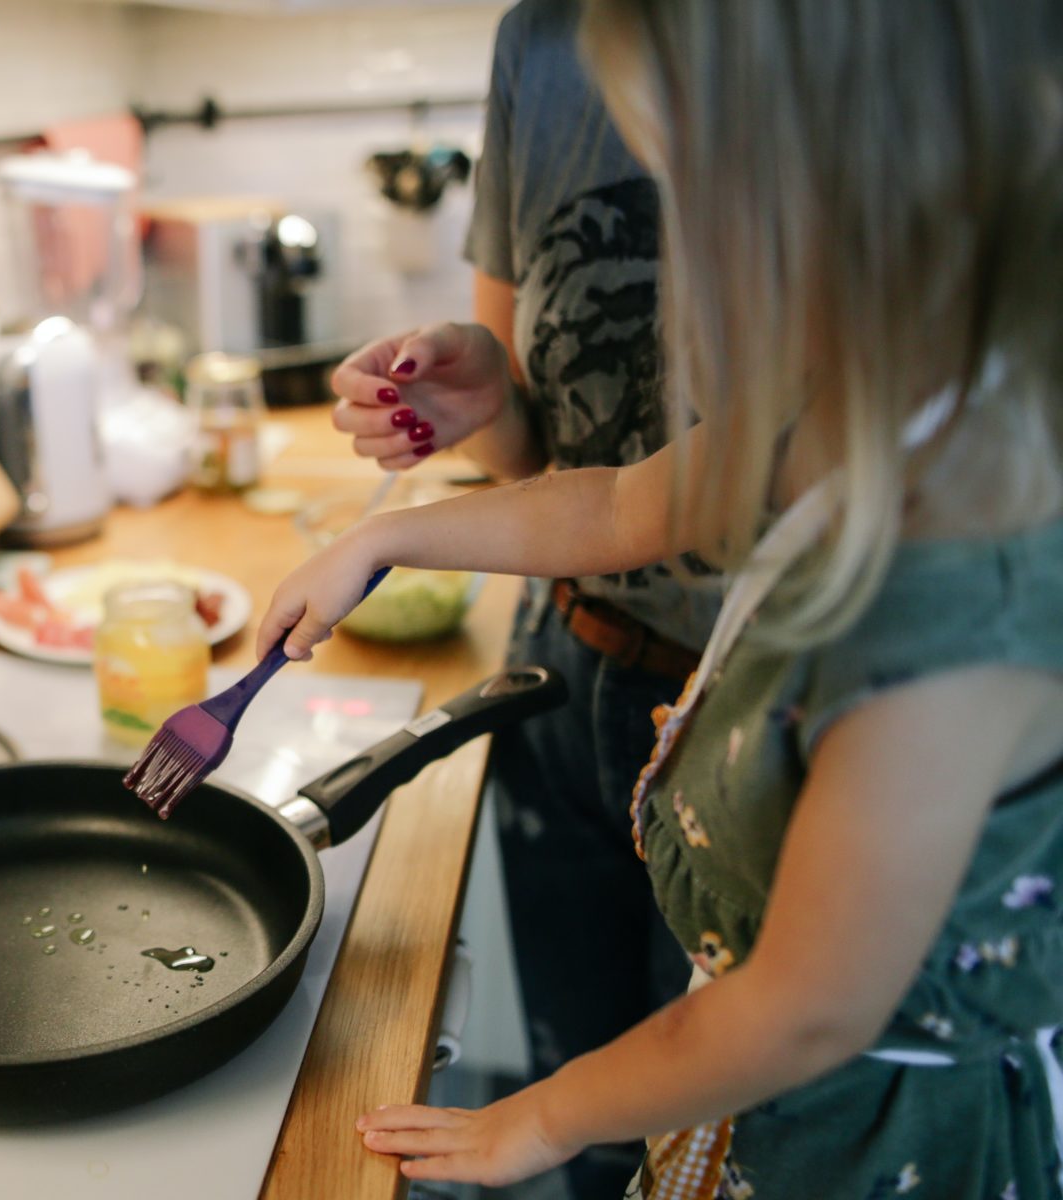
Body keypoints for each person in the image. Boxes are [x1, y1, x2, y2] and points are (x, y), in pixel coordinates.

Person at [267, 0, 1063, 1192]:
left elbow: (800, 1013)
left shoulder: (951, 606)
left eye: (699, 184)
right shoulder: (871, 405)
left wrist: (544, 1119)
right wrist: (384, 542)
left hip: (859, 1147)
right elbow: (616, 507)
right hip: (749, 1094)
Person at [331, 1, 696, 1191]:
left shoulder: (889, 54)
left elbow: (651, 502)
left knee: (706, 1138)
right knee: (587, 1124)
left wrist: (386, 541)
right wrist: (480, 395)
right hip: (568, 673)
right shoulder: (543, 38)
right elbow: (567, 477)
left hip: (766, 709)